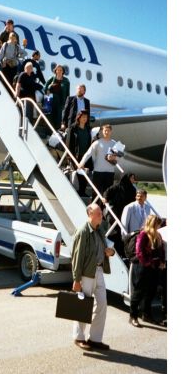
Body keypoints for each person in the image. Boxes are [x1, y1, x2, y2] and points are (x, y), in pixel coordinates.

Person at [71, 203, 115, 351]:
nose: (101, 216)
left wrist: (111, 252)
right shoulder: (83, 232)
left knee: (102, 303)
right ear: (90, 214)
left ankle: (95, 339)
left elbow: (107, 247)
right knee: (83, 306)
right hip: (86, 274)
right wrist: (76, 280)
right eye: (98, 214)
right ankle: (79, 337)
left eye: (101, 214)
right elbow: (77, 257)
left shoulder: (100, 229)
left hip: (99, 271)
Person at [131, 214, 166, 327]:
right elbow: (139, 252)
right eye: (157, 224)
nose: (159, 226)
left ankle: (146, 314)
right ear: (153, 223)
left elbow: (161, 250)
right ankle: (133, 316)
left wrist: (161, 261)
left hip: (154, 268)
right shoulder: (143, 234)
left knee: (151, 292)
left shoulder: (158, 235)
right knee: (138, 292)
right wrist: (148, 263)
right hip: (143, 268)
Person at [77, 124, 120, 203]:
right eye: (105, 131)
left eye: (108, 131)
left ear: (111, 132)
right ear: (102, 132)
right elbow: (88, 153)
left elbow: (118, 158)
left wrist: (114, 158)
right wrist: (81, 163)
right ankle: (94, 210)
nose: (106, 132)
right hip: (98, 172)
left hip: (110, 173)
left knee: (107, 195)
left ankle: (105, 213)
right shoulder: (97, 142)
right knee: (96, 193)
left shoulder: (114, 144)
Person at [102, 173, 137, 258]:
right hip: (115, 212)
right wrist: (105, 198)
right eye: (132, 178)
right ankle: (111, 250)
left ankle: (121, 252)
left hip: (125, 213)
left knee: (122, 232)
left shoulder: (132, 189)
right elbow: (107, 192)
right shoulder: (117, 186)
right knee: (114, 231)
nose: (133, 180)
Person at [66, 110, 94, 197]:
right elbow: (69, 143)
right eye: (83, 117)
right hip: (77, 155)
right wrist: (70, 156)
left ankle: (82, 190)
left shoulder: (88, 128)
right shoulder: (73, 128)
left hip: (86, 155)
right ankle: (80, 191)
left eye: (86, 117)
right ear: (79, 117)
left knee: (85, 173)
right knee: (79, 173)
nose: (85, 119)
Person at [43, 64, 70, 130]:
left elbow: (67, 93)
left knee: (58, 117)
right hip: (50, 100)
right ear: (55, 71)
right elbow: (45, 88)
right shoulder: (51, 78)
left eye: (61, 70)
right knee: (49, 116)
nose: (59, 71)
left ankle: (57, 131)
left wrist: (67, 103)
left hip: (60, 101)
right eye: (58, 70)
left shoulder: (66, 81)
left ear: (63, 71)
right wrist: (49, 88)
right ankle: (49, 131)